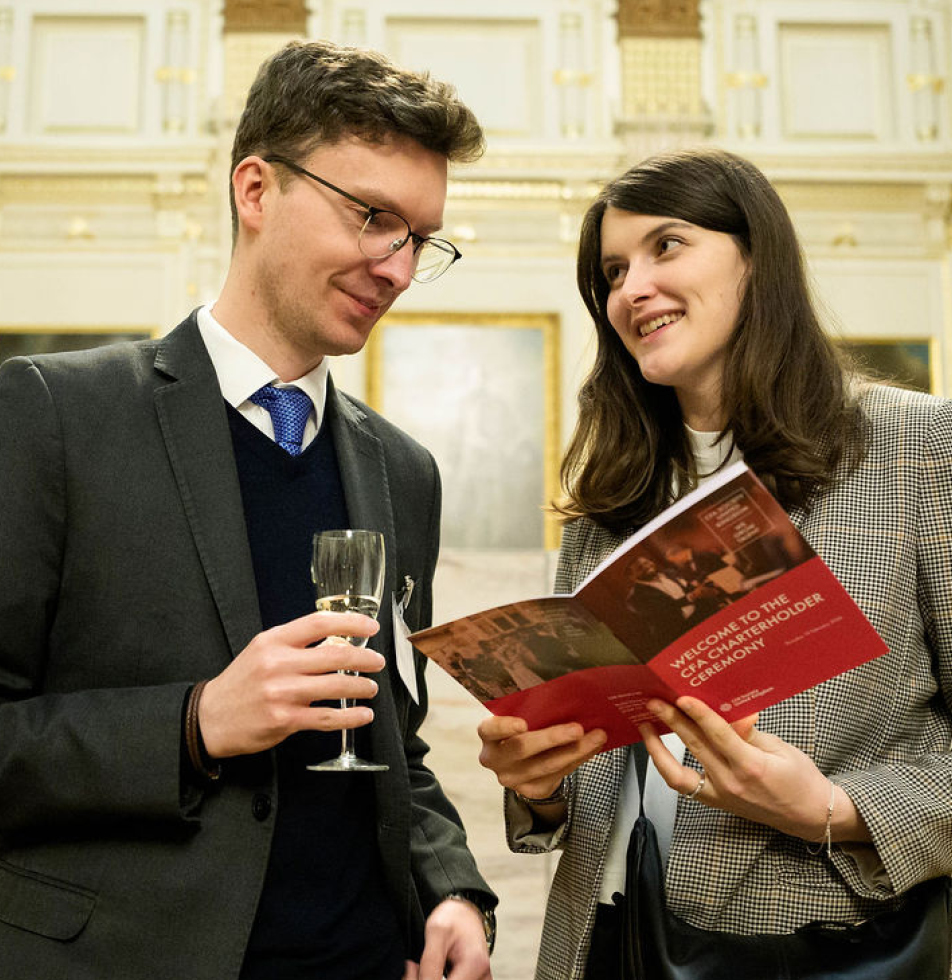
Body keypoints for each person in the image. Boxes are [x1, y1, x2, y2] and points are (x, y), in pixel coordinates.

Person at [0, 40, 497, 980]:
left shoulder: (405, 470)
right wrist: (194, 723)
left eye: (421, 239)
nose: (397, 267)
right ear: (257, 191)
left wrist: (453, 887)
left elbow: (395, 731)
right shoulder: (51, 415)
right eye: (373, 217)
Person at [477, 147, 952, 979]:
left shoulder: (916, 449)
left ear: (756, 256)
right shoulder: (609, 497)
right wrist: (541, 784)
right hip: (602, 940)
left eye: (667, 246)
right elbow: (597, 771)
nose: (633, 288)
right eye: (614, 271)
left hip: (814, 944)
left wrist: (835, 809)